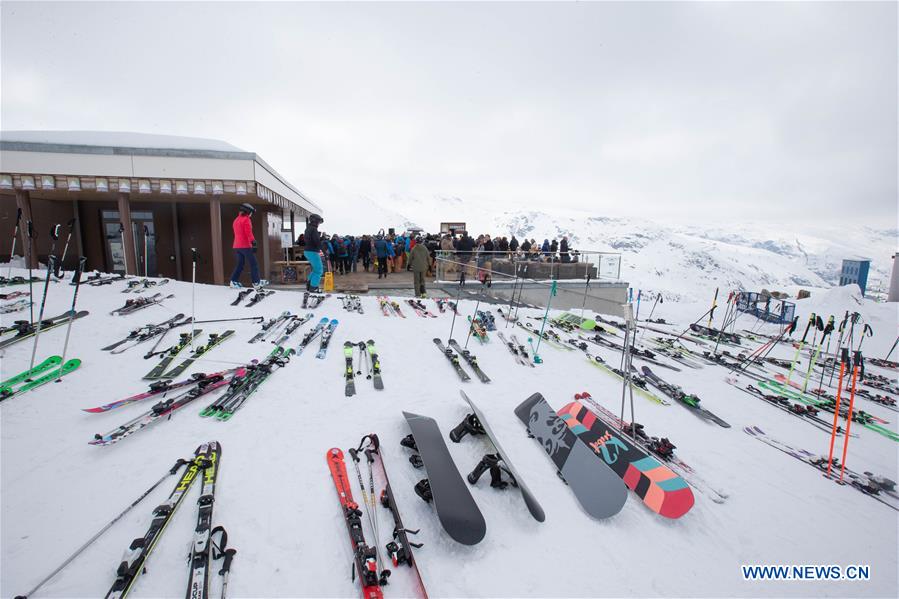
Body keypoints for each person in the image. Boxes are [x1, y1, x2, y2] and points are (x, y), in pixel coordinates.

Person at [230, 203, 268, 289]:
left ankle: (233, 281)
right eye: (251, 213)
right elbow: (248, 233)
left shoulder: (236, 220)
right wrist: (253, 243)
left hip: (236, 246)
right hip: (245, 246)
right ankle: (256, 283)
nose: (251, 214)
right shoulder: (246, 220)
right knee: (253, 264)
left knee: (240, 264)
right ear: (247, 212)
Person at [303, 213, 324, 292]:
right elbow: (316, 242)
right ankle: (313, 287)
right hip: (312, 251)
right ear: (315, 221)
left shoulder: (308, 228)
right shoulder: (314, 229)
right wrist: (324, 251)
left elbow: (311, 239)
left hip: (308, 251)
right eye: (318, 222)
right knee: (319, 270)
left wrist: (319, 237)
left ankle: (309, 285)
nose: (319, 224)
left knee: (315, 270)